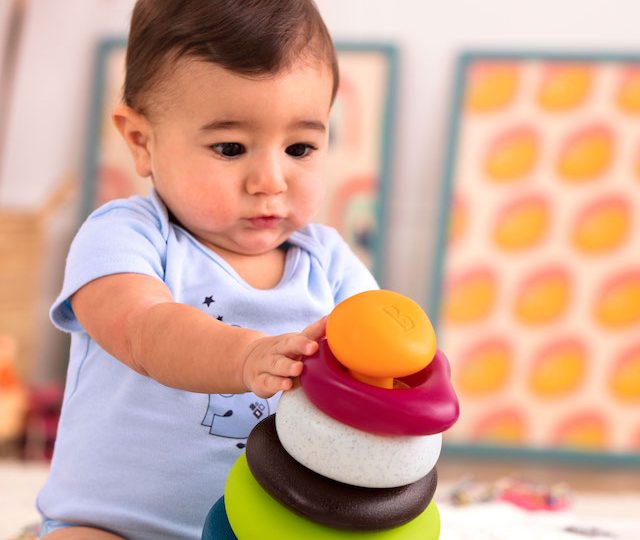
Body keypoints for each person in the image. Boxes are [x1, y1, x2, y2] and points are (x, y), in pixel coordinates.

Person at [36, 1, 378, 538]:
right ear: (141, 141)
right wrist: (246, 356)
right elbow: (144, 331)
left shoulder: (331, 264)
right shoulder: (126, 236)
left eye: (299, 147)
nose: (270, 179)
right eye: (230, 147)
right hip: (115, 525)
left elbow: (374, 366)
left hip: (267, 527)